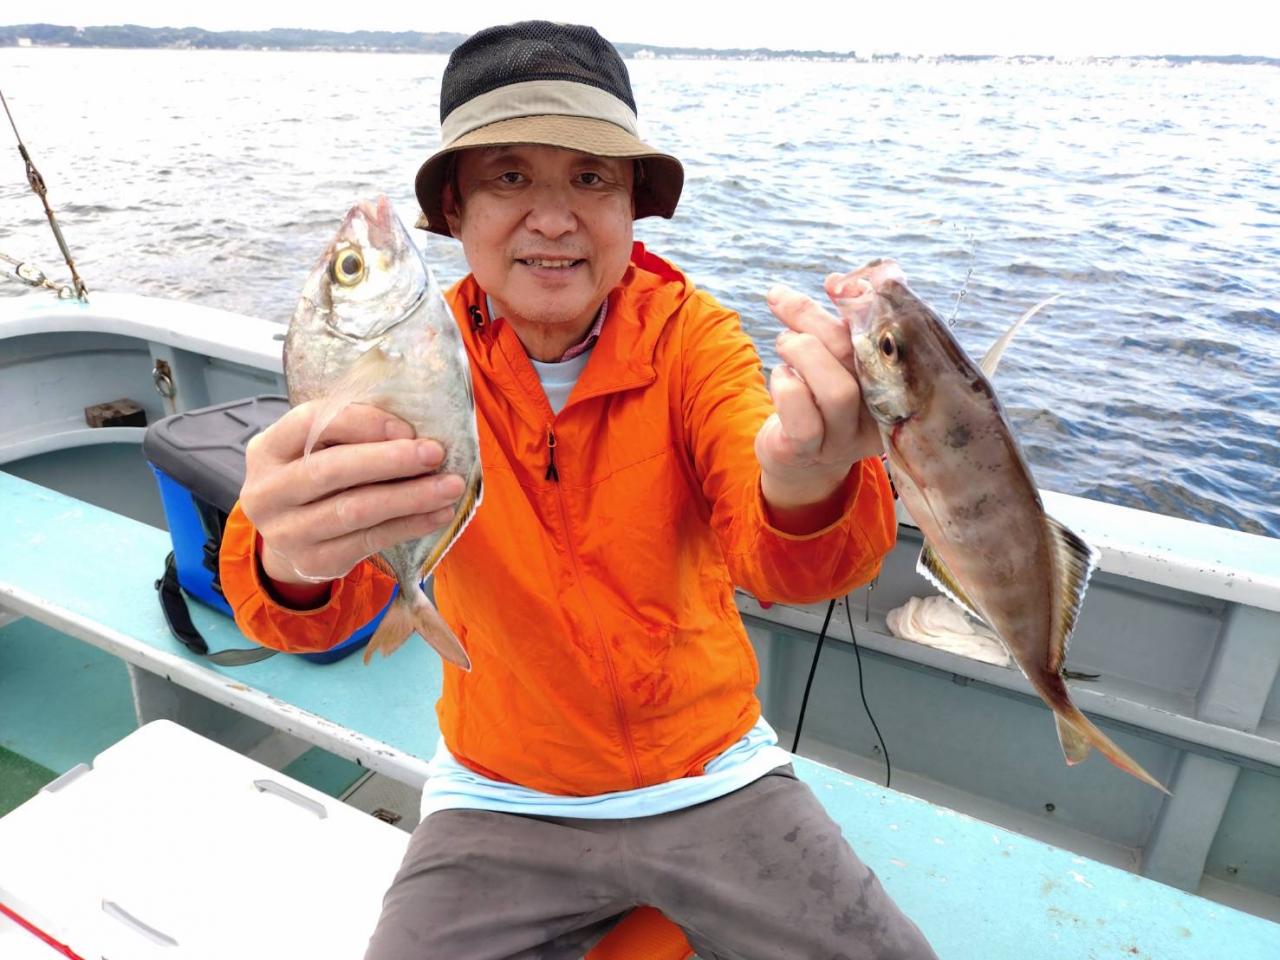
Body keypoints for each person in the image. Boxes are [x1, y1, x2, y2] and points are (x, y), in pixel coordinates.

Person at [220, 20, 938, 960]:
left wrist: (808, 476)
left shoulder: (694, 341)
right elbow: (308, 618)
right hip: (499, 792)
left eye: (592, 178)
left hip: (711, 772)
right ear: (455, 211)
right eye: (510, 177)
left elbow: (795, 567)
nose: (554, 219)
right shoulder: (404, 363)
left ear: (633, 205)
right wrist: (290, 556)